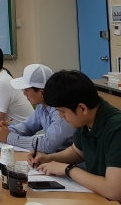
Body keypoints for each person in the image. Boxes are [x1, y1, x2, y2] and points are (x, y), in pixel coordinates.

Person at [31, 70, 121, 201]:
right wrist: (48, 158)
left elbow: (113, 190)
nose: (61, 116)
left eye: (62, 111)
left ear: (82, 108)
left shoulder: (116, 128)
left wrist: (68, 169)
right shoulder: (85, 120)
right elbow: (78, 152)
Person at [0, 64, 74, 152]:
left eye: (26, 90)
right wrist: (5, 130)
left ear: (41, 92)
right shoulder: (42, 106)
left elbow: (46, 145)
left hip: (67, 157)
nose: (24, 93)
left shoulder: (61, 111)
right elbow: (28, 127)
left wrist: (9, 137)